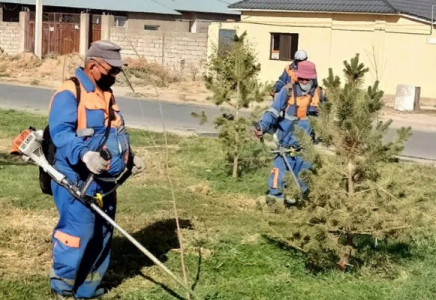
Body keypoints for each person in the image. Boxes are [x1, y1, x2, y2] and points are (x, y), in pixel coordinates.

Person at [48, 40, 144, 299]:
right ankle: (63, 288)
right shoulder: (70, 93)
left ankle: (88, 289)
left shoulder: (106, 93)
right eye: (111, 70)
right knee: (77, 233)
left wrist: (129, 158)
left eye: (117, 70)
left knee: (102, 233)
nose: (115, 75)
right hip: (76, 179)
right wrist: (85, 155)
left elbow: (114, 131)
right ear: (92, 65)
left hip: (105, 182)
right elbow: (61, 133)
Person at [255, 61, 321, 205]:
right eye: (301, 78)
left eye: (307, 79)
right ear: (297, 77)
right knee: (278, 175)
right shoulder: (287, 91)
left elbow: (328, 119)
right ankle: (274, 202)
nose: (304, 81)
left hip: (305, 146)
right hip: (285, 141)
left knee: (303, 176)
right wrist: (262, 126)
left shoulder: (319, 94)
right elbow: (272, 111)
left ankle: (295, 203)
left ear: (313, 78)